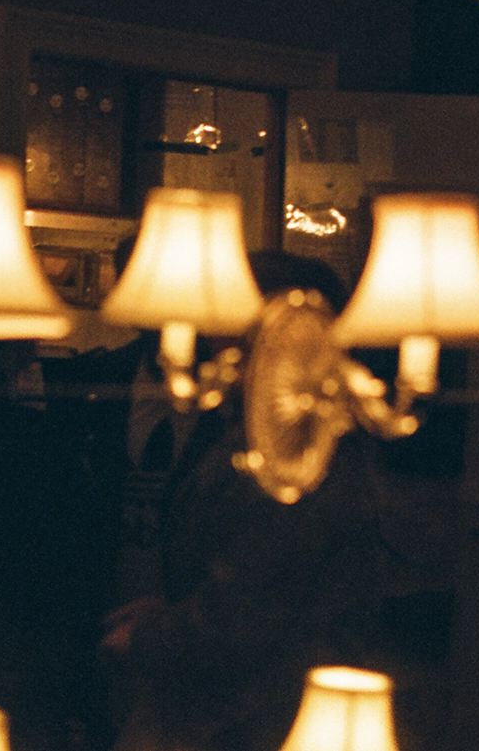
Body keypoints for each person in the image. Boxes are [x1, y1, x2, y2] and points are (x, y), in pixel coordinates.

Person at [105, 251, 379, 751]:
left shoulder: (295, 454)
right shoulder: (250, 432)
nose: (217, 339)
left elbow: (248, 609)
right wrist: (170, 611)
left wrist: (153, 637)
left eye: (231, 322)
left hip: (254, 717)